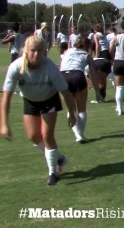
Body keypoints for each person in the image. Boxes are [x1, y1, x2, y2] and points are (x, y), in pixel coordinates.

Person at [0, 35, 77, 185]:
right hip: (30, 102)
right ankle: (59, 158)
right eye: (32, 50)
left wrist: (72, 114)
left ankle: (53, 173)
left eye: (40, 51)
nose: (36, 54)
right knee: (33, 136)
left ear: (45, 52)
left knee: (47, 136)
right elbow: (6, 97)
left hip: (49, 101)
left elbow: (66, 93)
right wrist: (4, 124)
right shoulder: (16, 67)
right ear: (25, 51)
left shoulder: (50, 68)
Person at [60, 36, 99, 142]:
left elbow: (62, 66)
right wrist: (97, 91)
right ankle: (80, 135)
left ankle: (79, 134)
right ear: (88, 46)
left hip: (64, 77)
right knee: (82, 109)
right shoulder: (87, 56)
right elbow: (93, 74)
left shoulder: (67, 52)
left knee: (71, 109)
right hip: (78, 76)